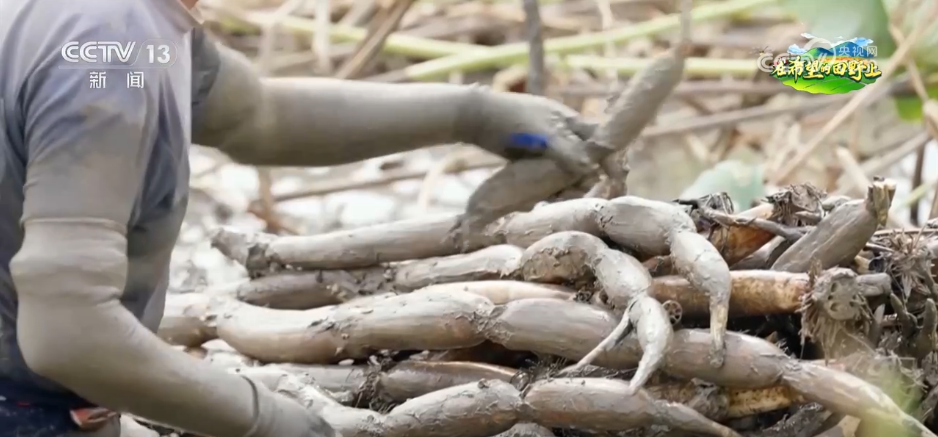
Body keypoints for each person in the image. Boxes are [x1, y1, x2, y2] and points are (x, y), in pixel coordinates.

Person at [0, 0, 596, 436]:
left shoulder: (122, 25)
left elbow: (258, 117)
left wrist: (473, 113)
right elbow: (71, 337)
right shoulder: (110, 43)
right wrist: (273, 422)